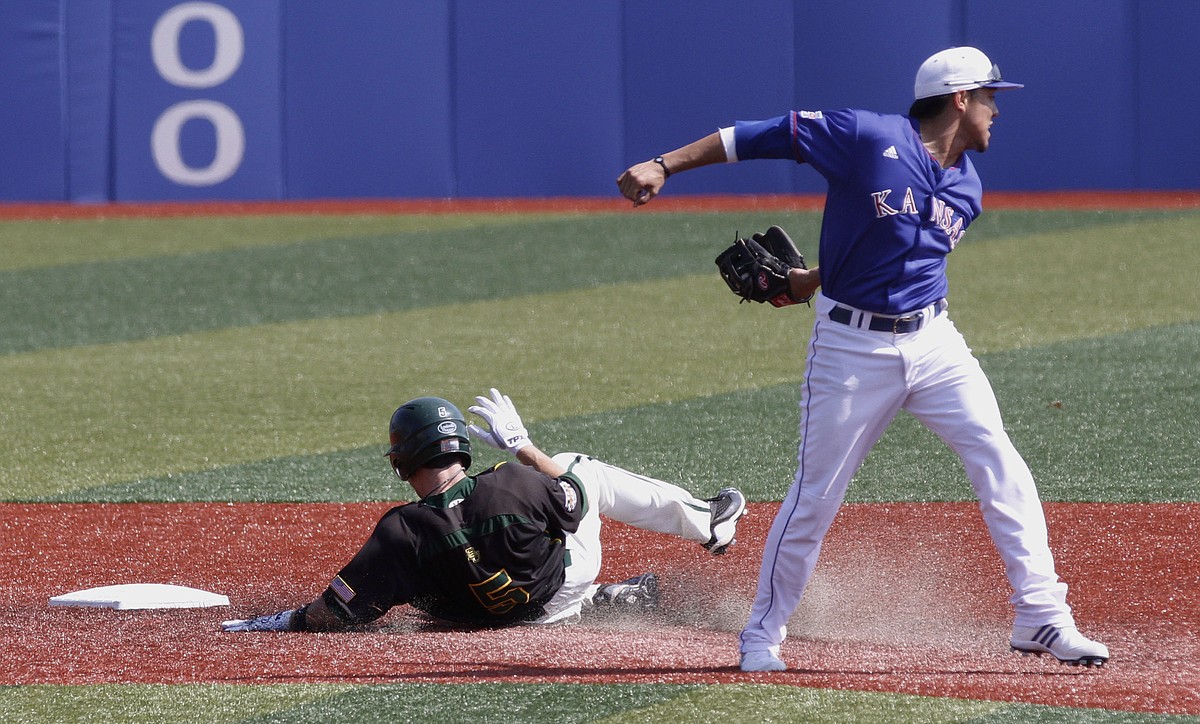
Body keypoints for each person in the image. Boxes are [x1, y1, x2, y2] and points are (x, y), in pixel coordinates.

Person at [616, 46, 1109, 671]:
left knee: (999, 458)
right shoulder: (866, 135)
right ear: (959, 98)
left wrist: (807, 278)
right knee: (816, 496)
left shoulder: (967, 185)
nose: (995, 110)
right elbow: (758, 137)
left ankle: (1041, 615)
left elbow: (896, 252)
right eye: (989, 97)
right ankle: (762, 636)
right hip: (852, 348)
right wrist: (664, 164)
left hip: (934, 341)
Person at [222, 388, 747, 632]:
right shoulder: (514, 483)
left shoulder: (399, 530)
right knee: (572, 466)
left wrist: (282, 621)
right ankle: (709, 524)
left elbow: (335, 612)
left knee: (433, 591)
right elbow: (571, 494)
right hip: (551, 594)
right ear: (460, 448)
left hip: (480, 622)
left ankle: (598, 600)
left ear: (403, 461)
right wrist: (523, 448)